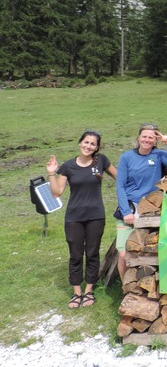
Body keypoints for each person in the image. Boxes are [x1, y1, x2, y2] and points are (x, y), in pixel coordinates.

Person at [46, 131, 117, 309]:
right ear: (80, 143)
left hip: (96, 216)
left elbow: (119, 177)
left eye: (93, 144)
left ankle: (89, 290)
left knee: (92, 253)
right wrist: (51, 174)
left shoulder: (101, 161)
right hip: (74, 218)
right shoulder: (68, 166)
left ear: (97, 147)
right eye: (86, 142)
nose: (89, 146)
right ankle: (76, 292)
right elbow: (56, 193)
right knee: (76, 255)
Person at [115, 124, 167, 280]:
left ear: (155, 140)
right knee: (124, 254)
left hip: (150, 209)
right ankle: (126, 287)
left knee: (148, 251)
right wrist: (126, 212)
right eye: (144, 136)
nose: (147, 140)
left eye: (151, 137)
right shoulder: (127, 157)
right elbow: (120, 185)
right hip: (130, 207)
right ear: (138, 138)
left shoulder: (158, 155)